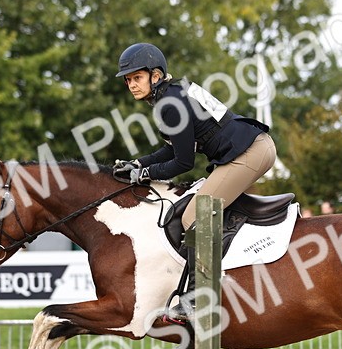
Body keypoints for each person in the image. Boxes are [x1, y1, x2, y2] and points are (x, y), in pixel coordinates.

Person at [112, 42, 275, 320]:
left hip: (249, 153)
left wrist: (146, 175)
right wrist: (140, 163)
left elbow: (183, 163)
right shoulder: (172, 94)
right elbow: (172, 150)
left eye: (137, 78)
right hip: (248, 148)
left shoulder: (170, 103)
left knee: (193, 218)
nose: (131, 85)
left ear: (156, 75)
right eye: (128, 80)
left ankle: (197, 299)